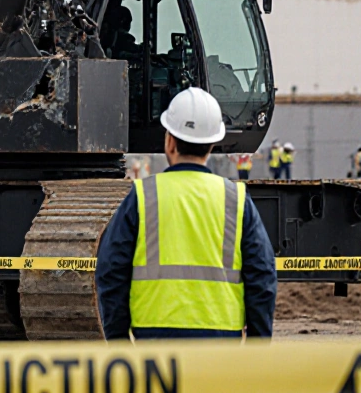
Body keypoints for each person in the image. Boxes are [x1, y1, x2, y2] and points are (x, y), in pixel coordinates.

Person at [95, 88, 276, 340]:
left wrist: (119, 343)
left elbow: (110, 270)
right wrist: (257, 345)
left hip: (154, 342)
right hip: (220, 342)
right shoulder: (236, 200)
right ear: (212, 145)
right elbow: (262, 276)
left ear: (170, 141)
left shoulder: (143, 196)